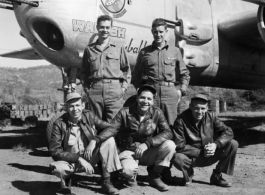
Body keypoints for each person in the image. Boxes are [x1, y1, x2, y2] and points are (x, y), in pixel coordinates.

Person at [49, 92, 122, 195]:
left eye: (78, 105)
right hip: (70, 162)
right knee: (57, 168)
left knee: (109, 141)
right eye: (71, 106)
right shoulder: (59, 123)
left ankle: (107, 181)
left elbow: (111, 128)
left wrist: (95, 140)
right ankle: (66, 183)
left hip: (90, 157)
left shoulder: (89, 116)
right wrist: (78, 159)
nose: (75, 109)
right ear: (66, 107)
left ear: (83, 106)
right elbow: (55, 150)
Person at [109, 84, 176, 191]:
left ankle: (154, 176)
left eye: (149, 99)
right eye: (142, 97)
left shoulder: (157, 113)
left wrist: (148, 143)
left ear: (153, 101)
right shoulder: (124, 112)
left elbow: (168, 132)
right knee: (128, 170)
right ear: (137, 98)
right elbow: (111, 131)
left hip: (147, 152)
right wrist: (117, 152)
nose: (145, 101)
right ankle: (130, 178)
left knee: (170, 145)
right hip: (128, 152)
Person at [132, 18, 190, 128]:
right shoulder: (144, 52)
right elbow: (136, 74)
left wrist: (181, 90)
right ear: (152, 32)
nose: (158, 34)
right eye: (155, 32)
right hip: (151, 93)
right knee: (149, 125)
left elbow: (185, 73)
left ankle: (170, 145)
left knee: (170, 126)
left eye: (161, 32)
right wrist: (140, 89)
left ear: (166, 32)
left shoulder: (175, 51)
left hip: (170, 93)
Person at [172, 94, 238, 187]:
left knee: (233, 144)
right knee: (177, 157)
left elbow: (228, 131)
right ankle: (188, 174)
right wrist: (201, 152)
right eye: (196, 108)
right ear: (190, 107)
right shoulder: (180, 120)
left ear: (207, 108)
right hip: (191, 157)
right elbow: (179, 145)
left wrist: (215, 145)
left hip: (210, 154)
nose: (199, 112)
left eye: (203, 108)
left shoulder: (211, 116)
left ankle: (216, 176)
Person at [80, 15, 131, 122]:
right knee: (95, 124)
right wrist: (87, 90)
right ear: (97, 28)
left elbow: (126, 70)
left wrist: (123, 89)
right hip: (95, 90)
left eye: (107, 27)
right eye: (102, 27)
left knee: (115, 125)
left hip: (114, 90)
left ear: (111, 28)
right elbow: (83, 72)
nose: (105, 30)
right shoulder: (89, 50)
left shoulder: (118, 48)